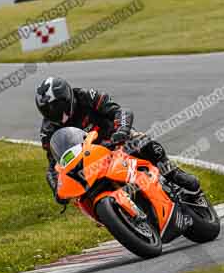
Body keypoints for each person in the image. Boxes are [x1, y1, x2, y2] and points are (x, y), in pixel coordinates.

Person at [35, 77, 202, 205]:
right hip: (90, 162)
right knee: (82, 196)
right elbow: (53, 165)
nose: (58, 115)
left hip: (115, 141)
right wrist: (57, 189)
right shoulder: (48, 131)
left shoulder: (86, 96)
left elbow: (121, 112)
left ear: (68, 96)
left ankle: (173, 173)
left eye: (58, 107)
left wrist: (121, 131)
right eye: (48, 111)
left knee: (142, 143)